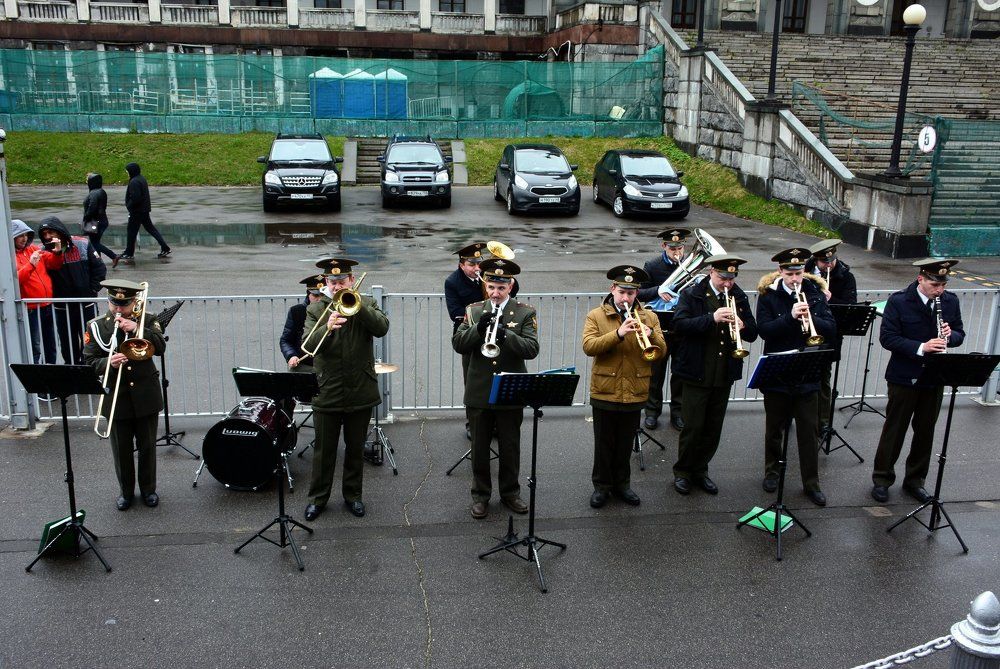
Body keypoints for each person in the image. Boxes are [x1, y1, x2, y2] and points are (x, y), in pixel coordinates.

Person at [870, 258, 964, 504]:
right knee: (895, 428)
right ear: (921, 278)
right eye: (935, 284)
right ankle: (881, 479)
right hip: (904, 376)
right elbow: (888, 338)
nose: (940, 290)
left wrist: (950, 335)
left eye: (943, 284)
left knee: (925, 431)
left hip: (935, 376)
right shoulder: (899, 301)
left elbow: (959, 334)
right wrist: (922, 347)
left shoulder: (950, 301)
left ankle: (915, 481)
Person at [301, 258, 389, 521]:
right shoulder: (316, 310)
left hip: (360, 388)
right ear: (325, 283)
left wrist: (358, 307)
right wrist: (327, 328)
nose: (337, 286)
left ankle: (353, 496)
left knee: (355, 448)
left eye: (342, 281)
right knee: (324, 451)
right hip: (327, 389)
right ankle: (318, 499)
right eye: (332, 282)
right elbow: (307, 346)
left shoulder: (367, 303)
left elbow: (381, 328)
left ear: (352, 281)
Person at [452, 258, 538, 519]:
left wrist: (506, 335)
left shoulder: (525, 312)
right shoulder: (474, 310)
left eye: (501, 288)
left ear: (510, 286)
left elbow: (532, 349)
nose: (495, 293)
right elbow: (458, 344)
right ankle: (480, 495)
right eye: (491, 287)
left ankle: (510, 493)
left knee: (510, 446)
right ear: (485, 286)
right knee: (479, 447)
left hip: (510, 388)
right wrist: (479, 329)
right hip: (479, 389)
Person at [670, 254, 758, 495]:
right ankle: (683, 471)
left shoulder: (738, 296)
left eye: (732, 278)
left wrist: (744, 325)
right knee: (693, 426)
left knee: (712, 427)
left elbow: (753, 332)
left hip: (723, 373)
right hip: (696, 371)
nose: (727, 284)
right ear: (711, 272)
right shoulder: (692, 294)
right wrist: (712, 318)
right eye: (723, 278)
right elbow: (680, 324)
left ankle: (701, 470)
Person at [755, 247, 837, 507]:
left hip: (807, 373)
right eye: (790, 273)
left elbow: (831, 328)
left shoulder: (814, 293)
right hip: (778, 373)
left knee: (808, 431)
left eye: (799, 273)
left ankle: (811, 483)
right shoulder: (768, 296)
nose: (795, 278)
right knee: (774, 428)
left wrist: (811, 315)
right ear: (780, 271)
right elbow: (764, 331)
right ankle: (772, 472)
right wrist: (790, 318)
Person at [583, 265, 666, 509]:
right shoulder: (596, 315)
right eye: (622, 292)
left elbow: (661, 351)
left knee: (625, 442)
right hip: (605, 388)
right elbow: (589, 346)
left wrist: (649, 334)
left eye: (631, 293)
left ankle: (623, 485)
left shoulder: (650, 316)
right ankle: (601, 487)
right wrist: (618, 333)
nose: (626, 298)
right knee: (604, 443)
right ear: (613, 289)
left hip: (635, 388)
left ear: (637, 293)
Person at [83, 279, 166, 510]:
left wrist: (139, 330)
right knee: (121, 450)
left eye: (124, 304)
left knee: (148, 447)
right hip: (116, 396)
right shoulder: (97, 326)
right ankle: (126, 492)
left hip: (145, 394)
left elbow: (160, 347)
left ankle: (149, 490)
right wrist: (108, 362)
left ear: (134, 301)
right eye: (114, 303)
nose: (118, 309)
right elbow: (89, 360)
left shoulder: (148, 319)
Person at [638, 228, 690, 431]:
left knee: (680, 373)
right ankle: (651, 412)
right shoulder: (653, 265)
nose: (676, 252)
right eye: (672, 248)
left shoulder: (690, 266)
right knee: (655, 372)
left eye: (679, 247)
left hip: (682, 323)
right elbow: (640, 293)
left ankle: (678, 413)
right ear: (664, 246)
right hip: (659, 324)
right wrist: (658, 291)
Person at [804, 239, 858, 433]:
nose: (829, 265)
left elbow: (850, 307)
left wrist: (830, 299)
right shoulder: (803, 275)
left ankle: (822, 421)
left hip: (829, 336)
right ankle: (796, 417)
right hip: (804, 334)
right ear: (816, 260)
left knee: (823, 380)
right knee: (799, 376)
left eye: (832, 260)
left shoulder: (846, 277)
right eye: (824, 262)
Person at [38, 215, 107, 365]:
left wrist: (92, 290)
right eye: (44, 234)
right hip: (62, 307)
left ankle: (92, 369)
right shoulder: (43, 251)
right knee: (67, 342)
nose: (48, 236)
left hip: (86, 304)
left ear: (59, 231)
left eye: (51, 232)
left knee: (91, 340)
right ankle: (72, 369)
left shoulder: (82, 243)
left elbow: (99, 268)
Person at [445, 242, 486, 441]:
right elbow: (455, 313)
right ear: (462, 265)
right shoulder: (452, 282)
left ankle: (492, 423)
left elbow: (513, 290)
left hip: (492, 335)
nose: (477, 268)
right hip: (468, 337)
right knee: (472, 382)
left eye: (479, 262)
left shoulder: (486, 276)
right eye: (472, 264)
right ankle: (473, 424)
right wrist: (479, 320)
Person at [12, 219, 62, 366]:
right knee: (34, 347)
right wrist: (31, 265)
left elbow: (54, 264)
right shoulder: (9, 256)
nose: (24, 238)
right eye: (20, 235)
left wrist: (58, 252)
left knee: (51, 345)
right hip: (31, 309)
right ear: (12, 237)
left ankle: (50, 375)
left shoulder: (33, 249)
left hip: (47, 305)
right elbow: (16, 280)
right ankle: (35, 381)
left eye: (26, 234)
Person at [278, 274, 324, 417]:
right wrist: (291, 355)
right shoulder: (297, 311)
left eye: (322, 295)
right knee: (282, 392)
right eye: (314, 295)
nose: (318, 299)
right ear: (308, 294)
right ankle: (286, 425)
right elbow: (285, 340)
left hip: (327, 366)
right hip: (304, 365)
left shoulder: (334, 311)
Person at [120, 162, 171, 263]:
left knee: (131, 232)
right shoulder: (141, 178)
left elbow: (136, 198)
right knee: (151, 229)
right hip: (144, 210)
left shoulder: (134, 181)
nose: (127, 173)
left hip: (136, 211)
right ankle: (165, 247)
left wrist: (129, 206)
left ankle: (129, 253)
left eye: (127, 171)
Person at [83, 172, 119, 267]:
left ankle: (113, 256)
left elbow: (92, 208)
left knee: (94, 243)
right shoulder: (100, 191)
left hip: (95, 222)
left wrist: (86, 217)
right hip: (101, 220)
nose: (86, 182)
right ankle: (98, 261)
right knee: (95, 242)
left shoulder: (94, 193)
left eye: (88, 180)